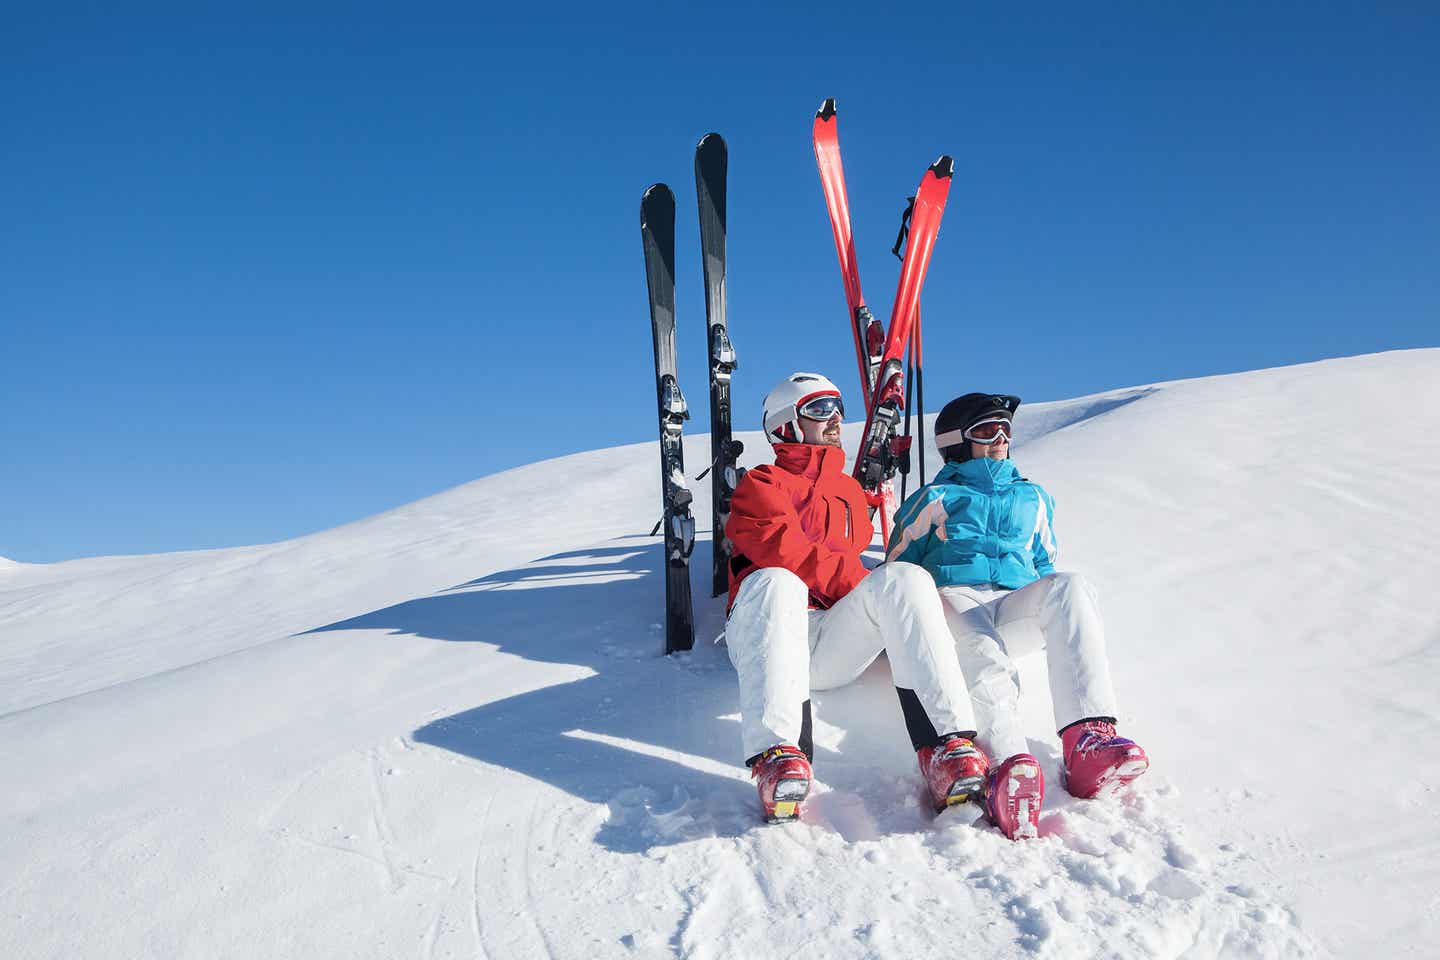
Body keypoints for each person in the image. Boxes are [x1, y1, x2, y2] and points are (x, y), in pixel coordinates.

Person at [724, 372, 998, 826]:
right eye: (817, 409)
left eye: (837, 407)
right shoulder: (761, 484)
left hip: (830, 641)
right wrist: (860, 587)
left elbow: (860, 576)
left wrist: (888, 607)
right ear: (785, 424)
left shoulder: (850, 493)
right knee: (778, 580)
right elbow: (789, 554)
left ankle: (947, 748)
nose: (834, 418)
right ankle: (778, 755)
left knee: (904, 578)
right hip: (768, 635)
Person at [888, 392, 1149, 837]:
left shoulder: (1033, 497)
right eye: (987, 431)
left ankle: (1088, 742)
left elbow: (1045, 563)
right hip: (954, 595)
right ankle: (1007, 766)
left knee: (1070, 586)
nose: (1001, 439)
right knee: (980, 647)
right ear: (955, 442)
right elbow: (898, 565)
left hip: (1013, 601)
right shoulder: (936, 496)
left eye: (1006, 431)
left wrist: (1045, 598)